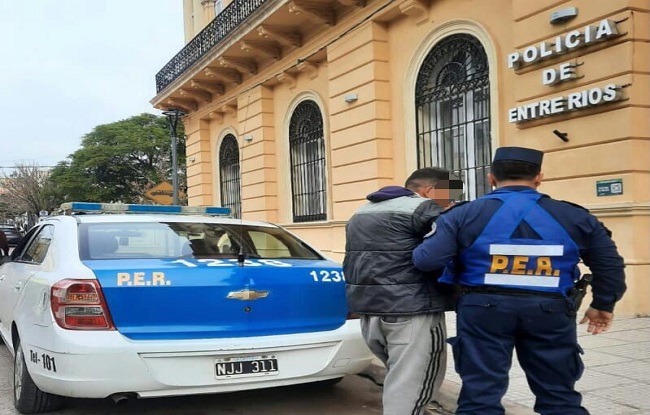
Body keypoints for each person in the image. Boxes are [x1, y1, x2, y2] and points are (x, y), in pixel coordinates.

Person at [412, 146, 627, 415]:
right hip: (550, 311)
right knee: (559, 396)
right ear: (539, 178)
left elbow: (427, 261)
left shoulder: (462, 215)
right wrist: (603, 304)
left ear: (491, 178)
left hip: (482, 310)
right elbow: (609, 264)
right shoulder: (574, 216)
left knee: (480, 396)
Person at [343, 167, 463, 415]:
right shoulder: (423, 208)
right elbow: (450, 245)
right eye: (449, 195)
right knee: (414, 387)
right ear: (429, 190)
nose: (449, 203)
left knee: (399, 381)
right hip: (411, 310)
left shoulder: (361, 212)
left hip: (370, 311)